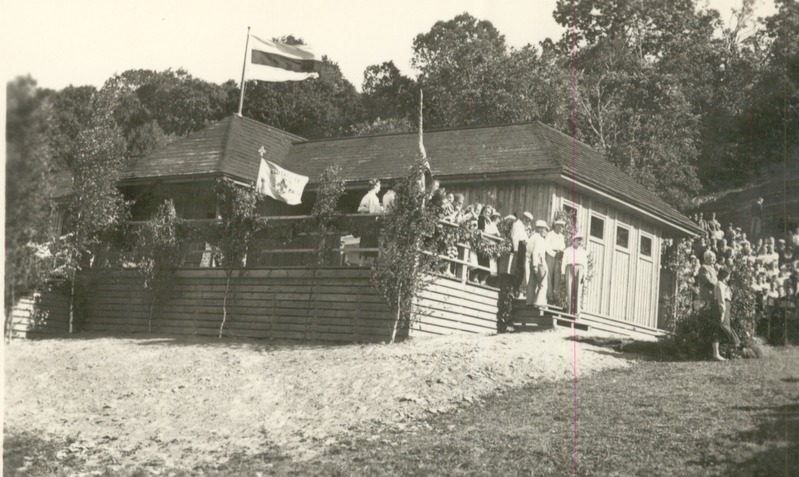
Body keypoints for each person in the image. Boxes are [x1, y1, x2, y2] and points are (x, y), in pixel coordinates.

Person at [712, 267, 740, 361]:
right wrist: (722, 312)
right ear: (725, 275)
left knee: (722, 328)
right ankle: (716, 354)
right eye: (728, 275)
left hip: (726, 306)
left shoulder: (724, 284)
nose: (729, 277)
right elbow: (721, 299)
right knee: (721, 327)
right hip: (721, 307)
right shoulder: (719, 284)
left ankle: (722, 352)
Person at [561, 233, 588, 315]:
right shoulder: (567, 250)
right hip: (569, 268)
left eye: (580, 240)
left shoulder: (583, 252)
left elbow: (585, 264)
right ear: (573, 241)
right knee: (569, 289)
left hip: (580, 269)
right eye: (577, 240)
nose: (579, 242)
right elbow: (564, 263)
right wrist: (563, 273)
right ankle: (569, 310)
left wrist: (585, 275)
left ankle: (576, 311)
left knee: (578, 290)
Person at [526, 220, 549, 306]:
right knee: (543, 284)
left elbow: (529, 251)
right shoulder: (539, 238)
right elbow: (536, 252)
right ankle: (538, 302)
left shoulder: (533, 237)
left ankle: (529, 301)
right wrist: (535, 265)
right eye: (545, 230)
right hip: (538, 263)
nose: (546, 232)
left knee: (532, 282)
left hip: (532, 261)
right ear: (540, 229)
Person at [545, 219, 567, 302]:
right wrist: (554, 254)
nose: (561, 228)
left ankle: (556, 296)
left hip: (558, 257)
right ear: (555, 226)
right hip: (550, 255)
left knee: (557, 276)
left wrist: (561, 254)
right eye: (559, 226)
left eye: (561, 227)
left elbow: (563, 247)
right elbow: (546, 247)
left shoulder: (561, 236)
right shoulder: (549, 234)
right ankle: (549, 295)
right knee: (549, 275)